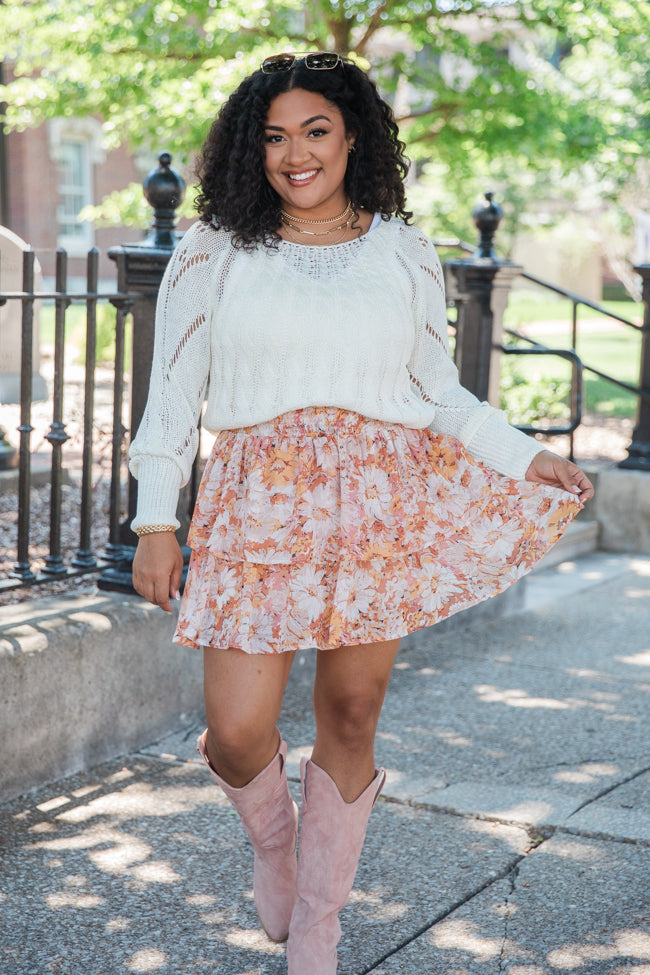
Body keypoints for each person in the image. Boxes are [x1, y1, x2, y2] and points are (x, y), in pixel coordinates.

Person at [129, 51, 594, 975]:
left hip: (379, 502)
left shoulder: (403, 249)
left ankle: (318, 920)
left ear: (353, 138)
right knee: (236, 729)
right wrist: (155, 518)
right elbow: (174, 394)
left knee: (351, 705)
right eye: (273, 135)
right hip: (257, 498)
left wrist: (526, 452)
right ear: (249, 149)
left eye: (315, 130)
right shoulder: (214, 248)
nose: (294, 154)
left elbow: (438, 391)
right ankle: (275, 844)